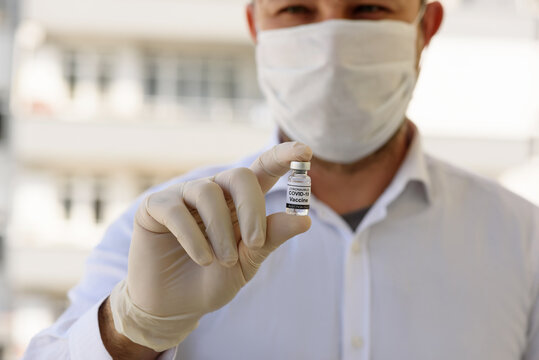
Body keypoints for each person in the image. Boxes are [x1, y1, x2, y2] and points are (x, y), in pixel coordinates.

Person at [23, 0, 539, 359]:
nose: (332, 45)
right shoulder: (166, 233)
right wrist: (133, 330)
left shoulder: (523, 240)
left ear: (424, 28)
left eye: (368, 9)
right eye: (296, 9)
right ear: (256, 26)